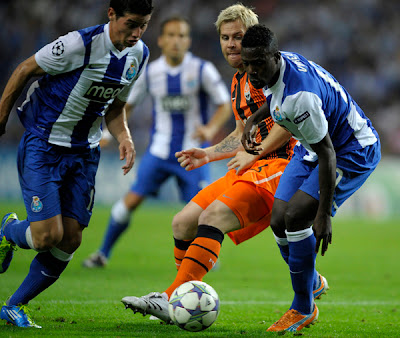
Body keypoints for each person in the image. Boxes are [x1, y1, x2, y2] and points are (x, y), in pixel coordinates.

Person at [120, 4, 328, 325]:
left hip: (284, 166)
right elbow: (241, 133)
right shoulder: (238, 81)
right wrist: (210, 152)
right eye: (225, 37)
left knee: (212, 216)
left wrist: (254, 152)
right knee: (183, 223)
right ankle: (183, 300)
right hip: (251, 166)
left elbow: (286, 120)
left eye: (238, 37)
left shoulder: (266, 74)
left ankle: (170, 298)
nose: (231, 44)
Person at [0, 0, 153, 328]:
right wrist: (1, 115)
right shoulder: (77, 44)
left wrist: (124, 137)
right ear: (111, 14)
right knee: (46, 237)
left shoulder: (139, 54)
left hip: (85, 154)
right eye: (131, 24)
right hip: (44, 145)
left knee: (70, 239)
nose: (136, 33)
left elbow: (116, 106)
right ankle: (7, 231)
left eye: (144, 25)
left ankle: (14, 305)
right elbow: (25, 69)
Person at [240, 24, 381, 333]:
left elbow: (329, 153)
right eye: (247, 62)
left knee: (296, 217)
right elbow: (276, 99)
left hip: (350, 150)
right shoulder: (272, 67)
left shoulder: (300, 96)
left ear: (273, 57)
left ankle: (303, 307)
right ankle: (311, 280)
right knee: (278, 219)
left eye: (257, 63)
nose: (251, 70)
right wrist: (254, 118)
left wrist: (324, 215)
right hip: (313, 145)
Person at [82, 16, 232, 268]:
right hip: (159, 153)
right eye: (171, 35)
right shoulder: (151, 72)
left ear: (188, 41)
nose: (176, 41)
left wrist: (211, 128)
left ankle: (205, 255)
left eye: (182, 36)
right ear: (161, 40)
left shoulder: (202, 69)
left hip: (192, 155)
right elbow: (125, 107)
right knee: (129, 202)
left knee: (203, 212)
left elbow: (224, 104)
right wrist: (110, 134)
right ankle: (102, 253)